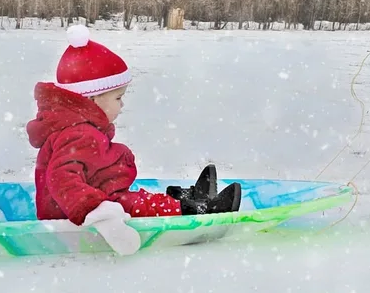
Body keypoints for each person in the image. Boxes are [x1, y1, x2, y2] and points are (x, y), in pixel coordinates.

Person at [26, 24, 241, 252]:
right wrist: (98, 211)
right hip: (76, 212)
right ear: (93, 100)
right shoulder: (78, 134)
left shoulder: (77, 128)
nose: (122, 104)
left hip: (90, 200)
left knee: (135, 199)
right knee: (137, 205)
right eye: (118, 98)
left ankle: (186, 199)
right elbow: (62, 179)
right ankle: (195, 210)